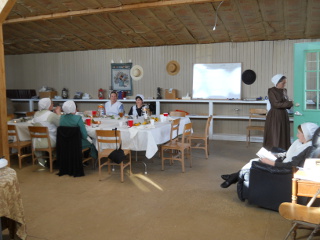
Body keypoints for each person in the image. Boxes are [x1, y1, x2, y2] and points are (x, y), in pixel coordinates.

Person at [220, 122, 319, 189]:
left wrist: (271, 162)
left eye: (299, 133)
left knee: (253, 162)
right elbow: (287, 153)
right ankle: (233, 177)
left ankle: (233, 178)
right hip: (281, 160)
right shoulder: (298, 142)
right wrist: (276, 155)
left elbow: (291, 164)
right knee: (254, 160)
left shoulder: (308, 148)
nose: (297, 135)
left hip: (282, 167)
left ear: (307, 134)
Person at [263, 74, 293, 151]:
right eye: (283, 83)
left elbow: (286, 102)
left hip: (283, 114)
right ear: (277, 83)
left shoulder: (284, 91)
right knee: (275, 134)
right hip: (275, 115)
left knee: (283, 133)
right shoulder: (271, 91)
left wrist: (289, 103)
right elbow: (275, 104)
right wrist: (290, 103)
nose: (284, 84)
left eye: (285, 83)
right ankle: (274, 152)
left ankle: (283, 151)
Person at [32, 98, 61, 166]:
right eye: (52, 103)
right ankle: (58, 159)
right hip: (49, 141)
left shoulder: (36, 114)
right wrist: (59, 114)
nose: (53, 104)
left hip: (36, 142)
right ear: (48, 105)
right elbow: (61, 124)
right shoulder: (51, 115)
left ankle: (43, 162)